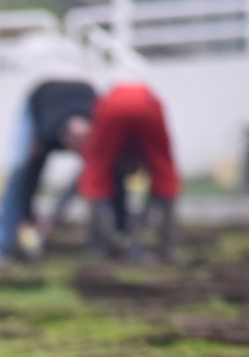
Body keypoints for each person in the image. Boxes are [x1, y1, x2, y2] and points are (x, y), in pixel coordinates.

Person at [0, 78, 96, 264]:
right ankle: (2, 247)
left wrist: (55, 214)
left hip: (86, 94)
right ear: (64, 137)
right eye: (75, 145)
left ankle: (102, 244)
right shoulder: (44, 132)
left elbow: (90, 176)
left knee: (97, 172)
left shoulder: (97, 124)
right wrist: (27, 217)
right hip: (39, 99)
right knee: (18, 169)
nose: (76, 151)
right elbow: (29, 177)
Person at [77, 81, 180, 262]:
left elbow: (98, 166)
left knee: (96, 170)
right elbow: (159, 165)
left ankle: (107, 242)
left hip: (111, 107)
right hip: (149, 106)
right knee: (165, 170)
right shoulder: (140, 143)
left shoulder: (118, 141)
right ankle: (167, 247)